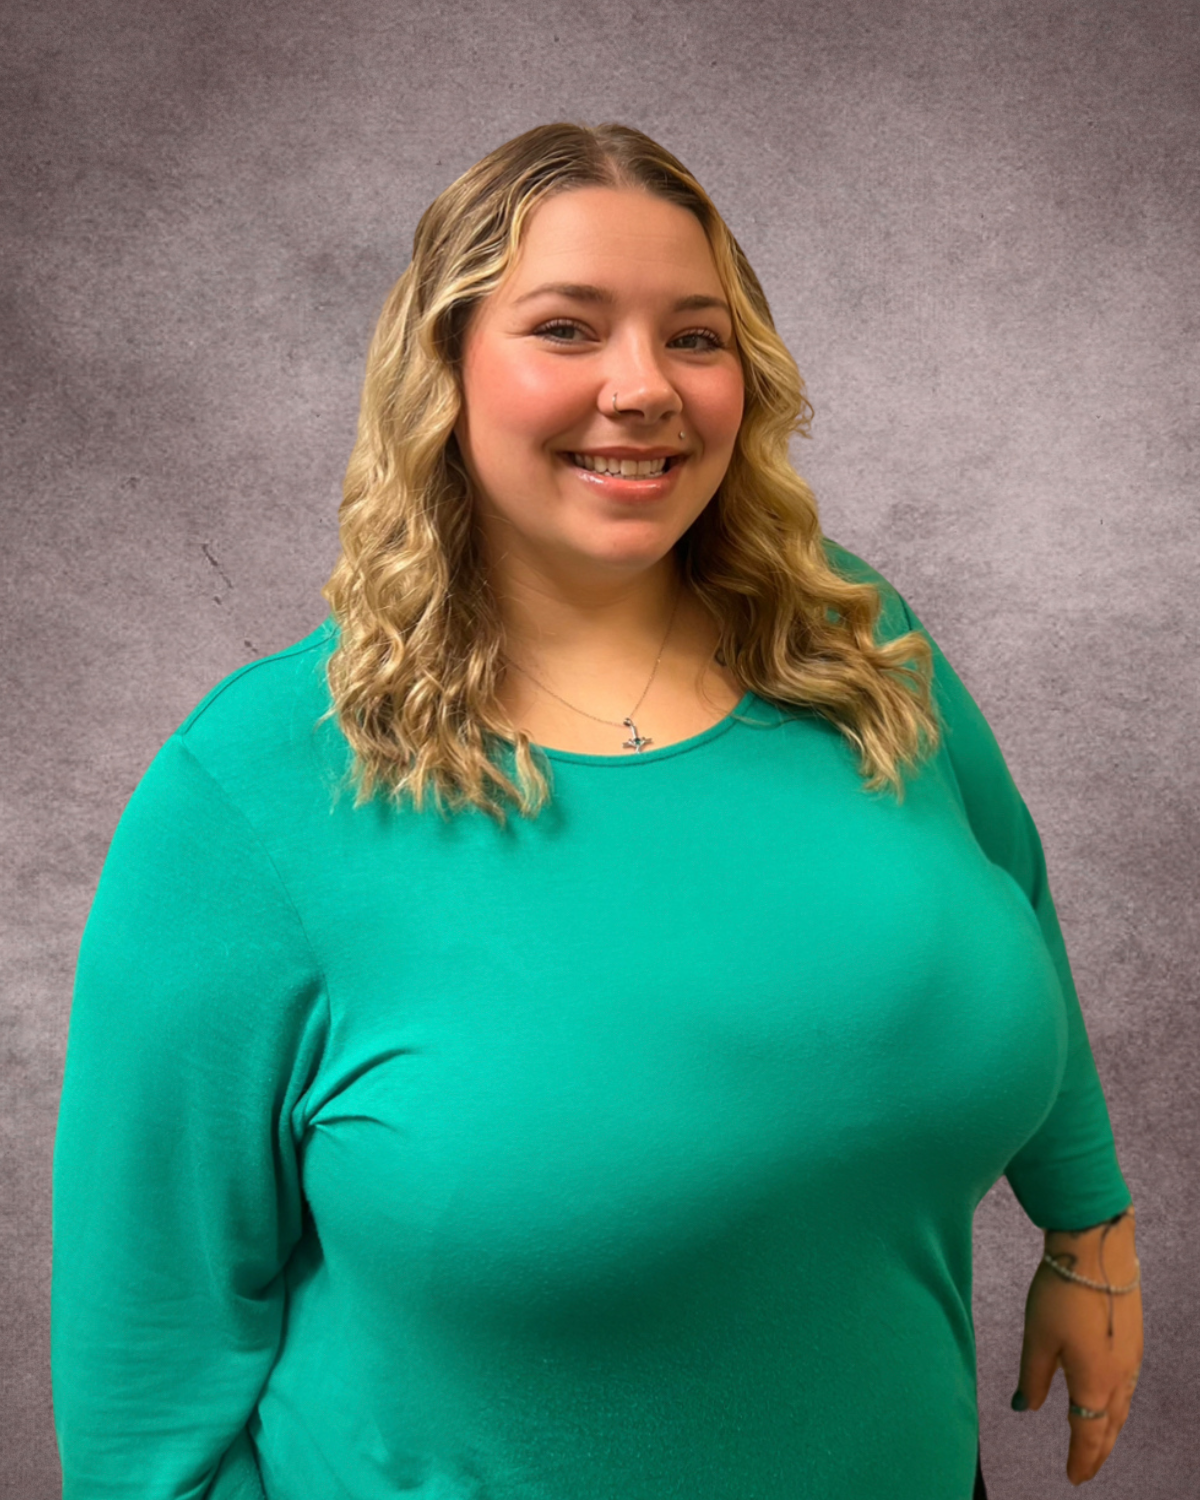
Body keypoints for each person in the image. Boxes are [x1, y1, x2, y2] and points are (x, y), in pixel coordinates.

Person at [51, 121, 1143, 1500]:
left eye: (695, 337)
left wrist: (1085, 1233)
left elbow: (1014, 903)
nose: (644, 390)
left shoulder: (853, 644)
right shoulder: (253, 790)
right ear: (442, 370)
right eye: (566, 329)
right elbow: (148, 1364)